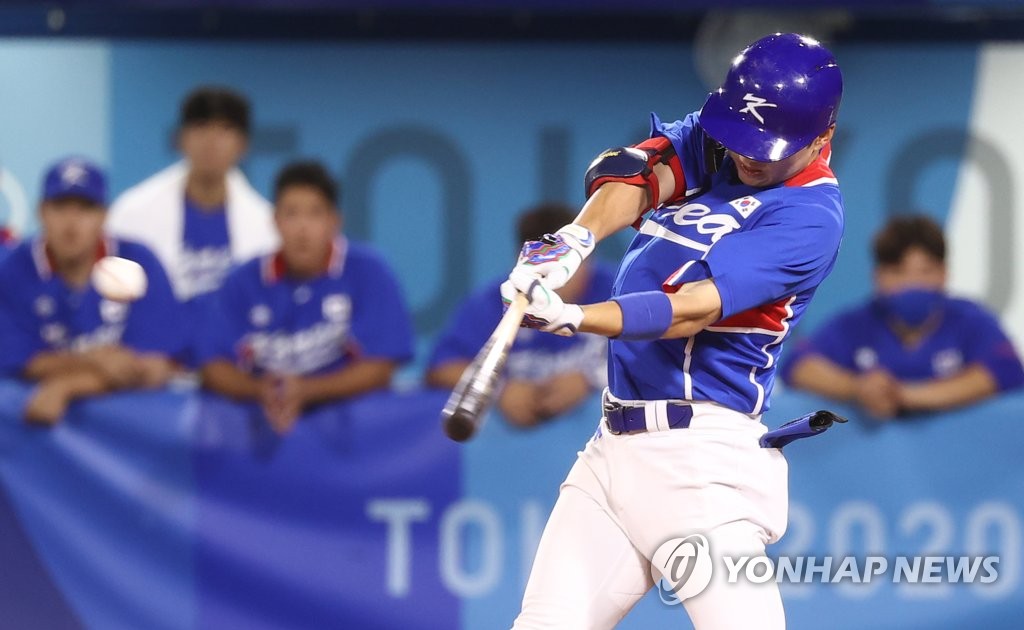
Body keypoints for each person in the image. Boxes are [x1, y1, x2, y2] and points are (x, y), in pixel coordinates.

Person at [500, 34, 844, 629]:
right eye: (742, 138)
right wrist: (572, 242)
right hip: (611, 451)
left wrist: (576, 317)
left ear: (821, 136)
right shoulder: (727, 142)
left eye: (767, 145)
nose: (749, 155)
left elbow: (685, 309)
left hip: (700, 461)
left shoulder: (809, 217)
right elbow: (637, 178)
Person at [196, 161, 414, 434]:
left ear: (335, 220)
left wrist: (306, 391)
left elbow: (381, 365)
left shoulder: (370, 271)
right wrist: (260, 391)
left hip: (355, 443)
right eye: (291, 214)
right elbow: (213, 364)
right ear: (274, 220)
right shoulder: (242, 280)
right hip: (257, 437)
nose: (303, 228)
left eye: (315, 214)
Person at [782, 214, 1024, 419]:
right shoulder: (855, 325)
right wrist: (857, 388)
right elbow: (798, 366)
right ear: (878, 276)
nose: (912, 283)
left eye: (925, 271)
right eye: (898, 272)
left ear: (944, 273)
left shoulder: (970, 320)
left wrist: (905, 395)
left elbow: (1006, 370)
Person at [0, 158, 184, 424]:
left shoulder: (137, 262)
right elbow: (18, 359)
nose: (71, 222)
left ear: (104, 215)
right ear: (41, 211)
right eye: (60, 206)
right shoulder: (14, 270)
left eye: (85, 208)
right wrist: (95, 360)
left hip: (136, 441)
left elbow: (152, 368)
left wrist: (66, 387)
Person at [426, 203, 614, 427]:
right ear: (521, 258)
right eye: (542, 263)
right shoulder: (494, 301)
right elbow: (441, 368)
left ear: (588, 256)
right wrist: (501, 390)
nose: (556, 276)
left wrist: (591, 379)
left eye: (567, 264)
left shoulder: (619, 290)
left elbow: (657, 348)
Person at [107, 86, 277, 306]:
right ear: (181, 138)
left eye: (225, 129)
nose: (211, 140)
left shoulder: (266, 223)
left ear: (243, 144)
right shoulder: (132, 211)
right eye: (201, 127)